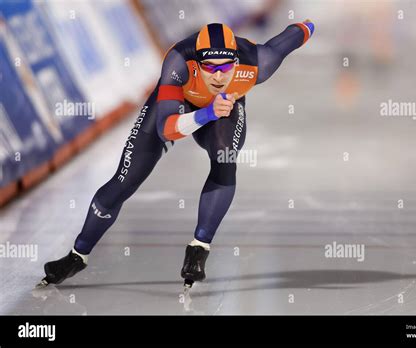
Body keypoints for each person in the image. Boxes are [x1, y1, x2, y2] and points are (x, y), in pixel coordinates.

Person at [38, 20, 315, 289]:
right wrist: (207, 112)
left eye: (225, 67)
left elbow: (291, 36)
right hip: (178, 103)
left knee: (226, 155)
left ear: (236, 63)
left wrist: (309, 25)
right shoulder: (178, 61)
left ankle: (199, 247)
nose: (218, 76)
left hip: (224, 107)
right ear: (197, 63)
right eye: (210, 68)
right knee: (125, 180)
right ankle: (78, 254)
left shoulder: (258, 63)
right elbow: (167, 129)